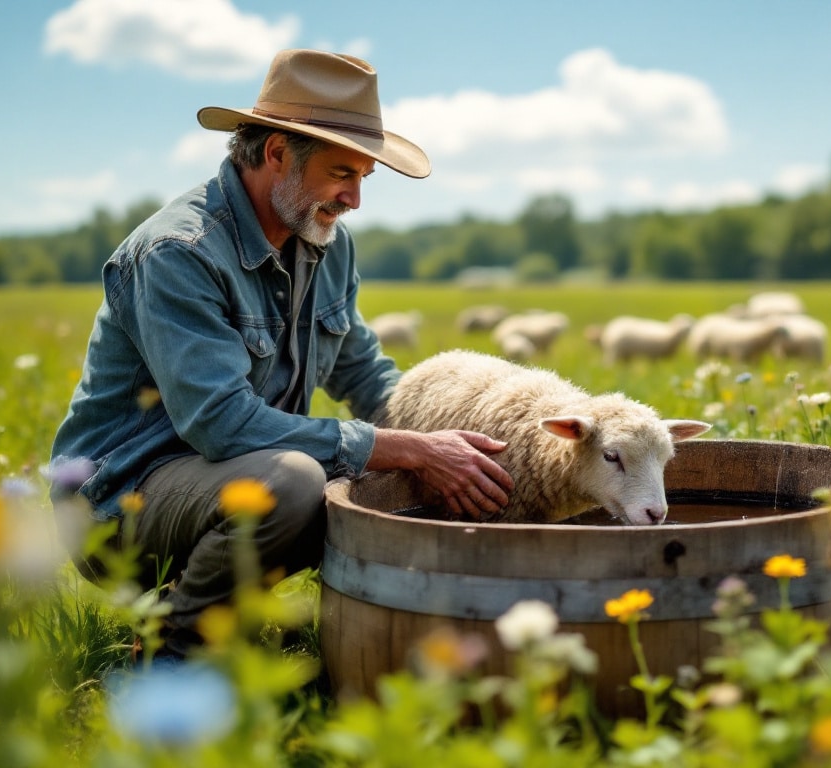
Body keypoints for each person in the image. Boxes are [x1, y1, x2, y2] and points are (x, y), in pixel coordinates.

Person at [49, 49, 514, 658]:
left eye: (362, 180)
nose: (354, 200)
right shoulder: (177, 253)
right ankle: (174, 655)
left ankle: (338, 636)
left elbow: (366, 374)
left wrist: (461, 435)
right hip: (122, 504)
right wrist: (406, 449)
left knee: (377, 474)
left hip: (227, 486)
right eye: (341, 174)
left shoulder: (324, 242)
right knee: (296, 482)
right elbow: (222, 424)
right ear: (275, 155)